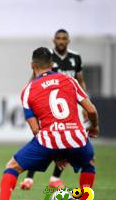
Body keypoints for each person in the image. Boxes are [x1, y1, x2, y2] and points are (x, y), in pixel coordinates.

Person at [0, 47, 98, 200]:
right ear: (52, 64)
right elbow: (91, 110)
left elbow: (35, 128)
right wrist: (94, 127)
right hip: (76, 138)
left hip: (49, 139)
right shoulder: (70, 80)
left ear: (32, 65)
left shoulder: (28, 90)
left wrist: (55, 151)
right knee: (89, 163)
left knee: (12, 166)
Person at [20, 29, 87, 190]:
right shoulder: (46, 57)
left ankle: (55, 177)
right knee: (41, 138)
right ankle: (30, 177)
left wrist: (84, 103)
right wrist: (28, 95)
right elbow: (34, 78)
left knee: (65, 141)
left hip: (67, 105)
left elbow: (80, 81)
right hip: (46, 106)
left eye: (64, 38)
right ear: (53, 40)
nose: (61, 41)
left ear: (68, 40)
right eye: (58, 38)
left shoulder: (75, 58)